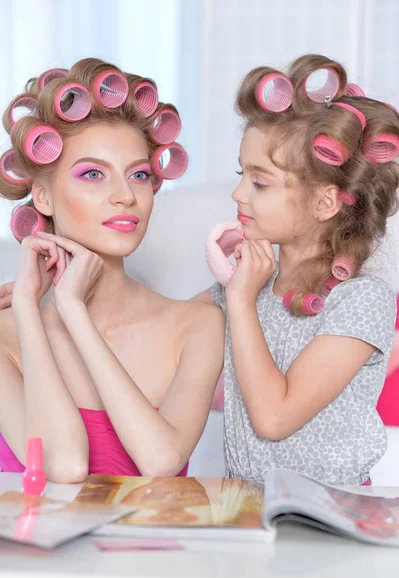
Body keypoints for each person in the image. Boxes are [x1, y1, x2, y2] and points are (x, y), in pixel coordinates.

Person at [0, 58, 224, 482]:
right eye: (93, 174)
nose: (125, 195)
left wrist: (75, 312)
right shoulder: (7, 331)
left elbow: (161, 463)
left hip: (154, 548)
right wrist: (29, 309)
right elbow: (63, 467)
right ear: (43, 197)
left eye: (138, 174)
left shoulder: (198, 326)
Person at [197, 54, 399, 485]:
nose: (237, 193)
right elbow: (164, 327)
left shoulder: (361, 300)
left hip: (330, 518)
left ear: (325, 202)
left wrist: (241, 301)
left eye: (259, 181)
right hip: (248, 509)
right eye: (241, 173)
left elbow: (274, 417)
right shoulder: (253, 281)